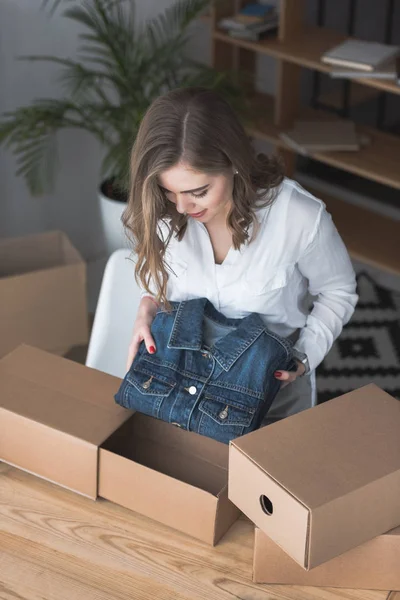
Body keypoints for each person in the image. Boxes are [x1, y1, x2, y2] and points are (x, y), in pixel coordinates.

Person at [123, 87, 358, 423]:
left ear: (233, 163)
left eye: (198, 192)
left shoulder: (298, 216)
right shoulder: (162, 211)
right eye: (168, 189)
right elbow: (167, 285)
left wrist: (304, 357)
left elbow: (338, 291)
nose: (181, 206)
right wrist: (149, 304)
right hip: (180, 383)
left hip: (272, 396)